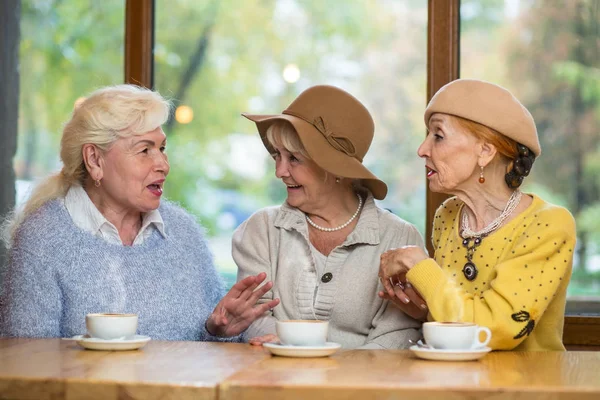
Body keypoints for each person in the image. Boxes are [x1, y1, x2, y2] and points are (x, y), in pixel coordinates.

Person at [0, 84, 279, 341]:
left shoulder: (182, 232)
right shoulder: (42, 240)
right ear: (95, 160)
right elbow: (27, 362)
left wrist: (218, 330)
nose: (163, 164)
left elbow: (210, 344)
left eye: (162, 148)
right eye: (145, 150)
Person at [378, 79, 576, 351]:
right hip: (453, 385)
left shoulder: (548, 225)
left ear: (485, 151)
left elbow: (496, 329)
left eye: (438, 135)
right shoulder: (447, 216)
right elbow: (458, 313)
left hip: (523, 389)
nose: (422, 149)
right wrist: (421, 308)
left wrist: (418, 265)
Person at [233, 85, 425, 349]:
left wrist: (336, 378)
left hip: (362, 387)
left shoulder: (400, 238)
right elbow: (253, 316)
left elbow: (398, 334)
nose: (280, 171)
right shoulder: (262, 229)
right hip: (277, 381)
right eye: (277, 156)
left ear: (335, 168)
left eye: (294, 159)